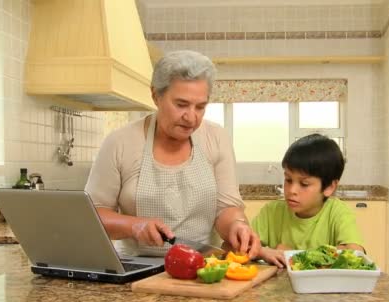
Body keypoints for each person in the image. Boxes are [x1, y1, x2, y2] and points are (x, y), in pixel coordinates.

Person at [85, 50, 261, 258]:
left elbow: (227, 208)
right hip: (137, 269)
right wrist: (134, 225)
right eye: (181, 104)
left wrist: (236, 226)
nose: (191, 117)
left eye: (200, 107)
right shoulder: (120, 142)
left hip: (203, 266)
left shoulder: (216, 137)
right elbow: (92, 215)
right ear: (155, 96)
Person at [252, 133, 365, 268]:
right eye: (288, 180)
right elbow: (232, 246)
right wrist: (262, 251)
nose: (292, 190)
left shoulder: (338, 213)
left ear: (329, 187)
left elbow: (355, 252)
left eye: (304, 184)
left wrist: (294, 255)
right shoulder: (271, 212)